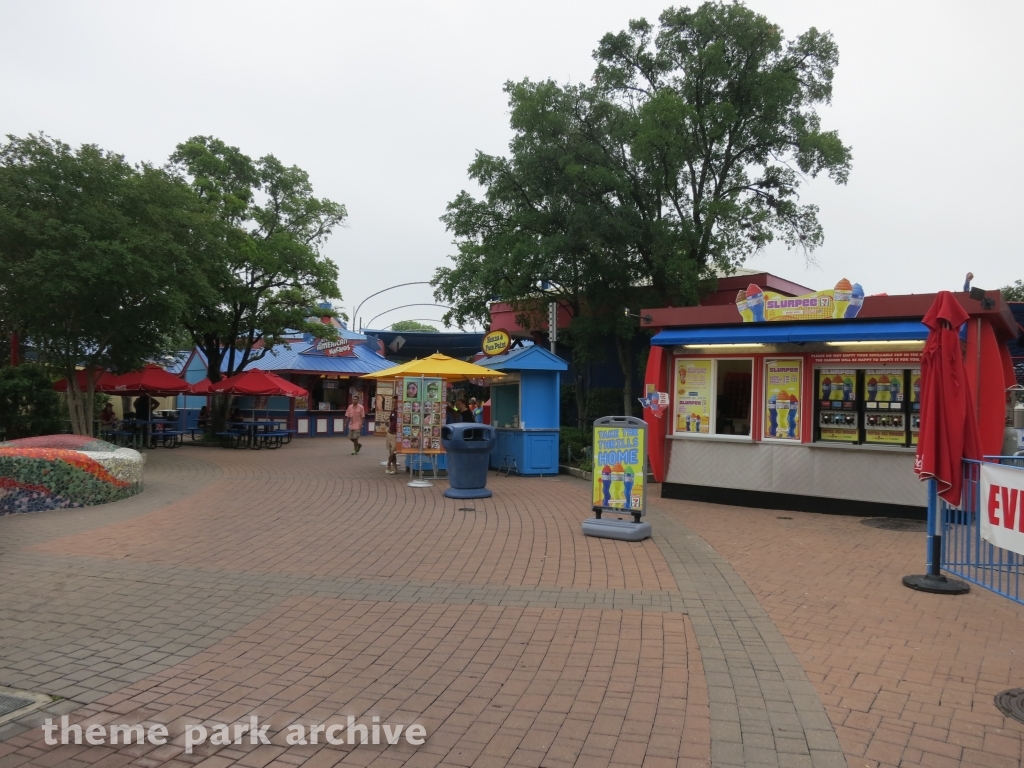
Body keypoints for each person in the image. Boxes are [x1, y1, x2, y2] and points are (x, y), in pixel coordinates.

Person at [385, 408, 398, 474]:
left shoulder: (401, 412)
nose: (395, 404)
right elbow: (391, 421)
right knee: (391, 452)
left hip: (396, 434)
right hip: (390, 433)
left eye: (396, 402)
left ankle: (388, 464)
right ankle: (395, 468)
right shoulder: (392, 411)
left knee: (394, 451)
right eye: (393, 402)